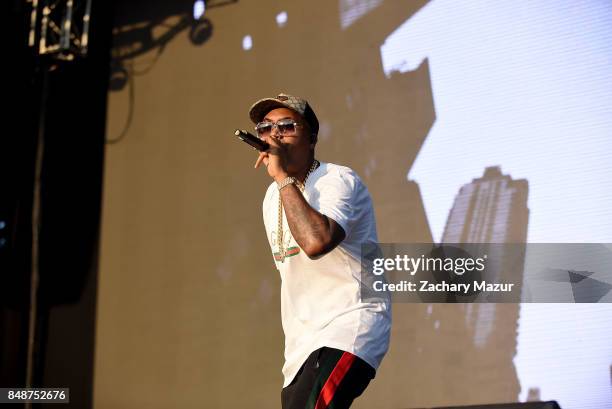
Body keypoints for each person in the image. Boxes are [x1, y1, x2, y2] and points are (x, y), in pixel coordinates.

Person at [250, 93, 391, 409]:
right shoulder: (272, 197)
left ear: (312, 138)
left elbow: (316, 243)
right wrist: (282, 183)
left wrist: (282, 177)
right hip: (302, 345)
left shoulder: (337, 180)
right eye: (265, 127)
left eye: (286, 126)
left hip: (349, 326)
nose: (274, 134)